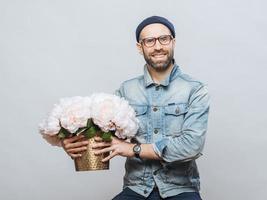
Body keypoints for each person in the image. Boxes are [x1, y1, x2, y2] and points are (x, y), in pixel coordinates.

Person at [62, 16, 210, 200]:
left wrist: (134, 149)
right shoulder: (126, 90)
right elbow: (105, 135)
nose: (158, 46)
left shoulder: (195, 89)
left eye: (164, 39)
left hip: (180, 189)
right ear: (140, 47)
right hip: (137, 189)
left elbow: (191, 146)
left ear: (173, 42)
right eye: (149, 41)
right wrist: (76, 143)